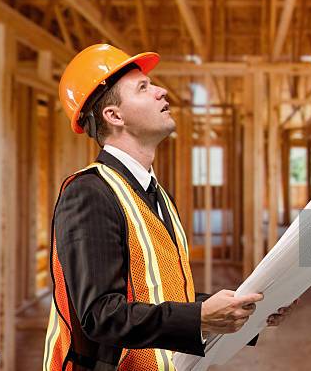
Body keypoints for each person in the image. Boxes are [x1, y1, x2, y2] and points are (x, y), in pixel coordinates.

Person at [42, 44, 296, 371]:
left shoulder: (157, 193)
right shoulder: (89, 192)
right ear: (114, 115)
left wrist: (246, 311)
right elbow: (101, 315)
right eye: (144, 87)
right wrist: (200, 317)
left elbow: (163, 295)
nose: (162, 91)